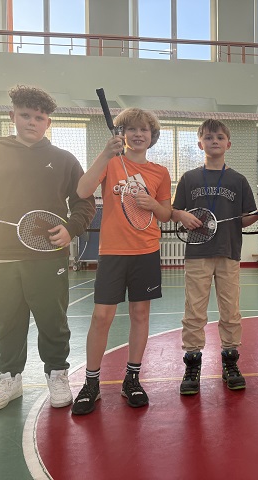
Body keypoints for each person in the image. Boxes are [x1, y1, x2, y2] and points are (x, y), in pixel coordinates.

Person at [0, 85, 96, 413]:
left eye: (39, 117)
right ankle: (10, 378)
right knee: (6, 321)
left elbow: (84, 202)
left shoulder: (64, 160)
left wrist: (71, 228)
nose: (32, 122)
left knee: (53, 320)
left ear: (48, 122)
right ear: (12, 116)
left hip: (47, 256)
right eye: (25, 115)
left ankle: (57, 374)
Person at [71, 108, 172, 415]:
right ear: (122, 134)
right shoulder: (112, 163)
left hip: (146, 252)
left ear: (152, 136)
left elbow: (165, 214)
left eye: (144, 130)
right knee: (101, 317)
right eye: (131, 129)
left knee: (140, 314)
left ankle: (132, 379)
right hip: (113, 253)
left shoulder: (160, 172)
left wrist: (152, 204)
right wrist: (105, 153)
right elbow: (83, 189)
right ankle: (91, 383)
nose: (138, 134)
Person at [171, 119, 258, 395]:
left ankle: (230, 362)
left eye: (219, 137)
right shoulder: (189, 178)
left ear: (228, 144)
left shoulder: (238, 180)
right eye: (208, 137)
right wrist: (182, 216)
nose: (214, 141)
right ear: (200, 144)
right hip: (197, 254)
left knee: (230, 311)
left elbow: (244, 219)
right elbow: (175, 212)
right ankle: (192, 364)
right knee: (194, 311)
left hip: (229, 253)